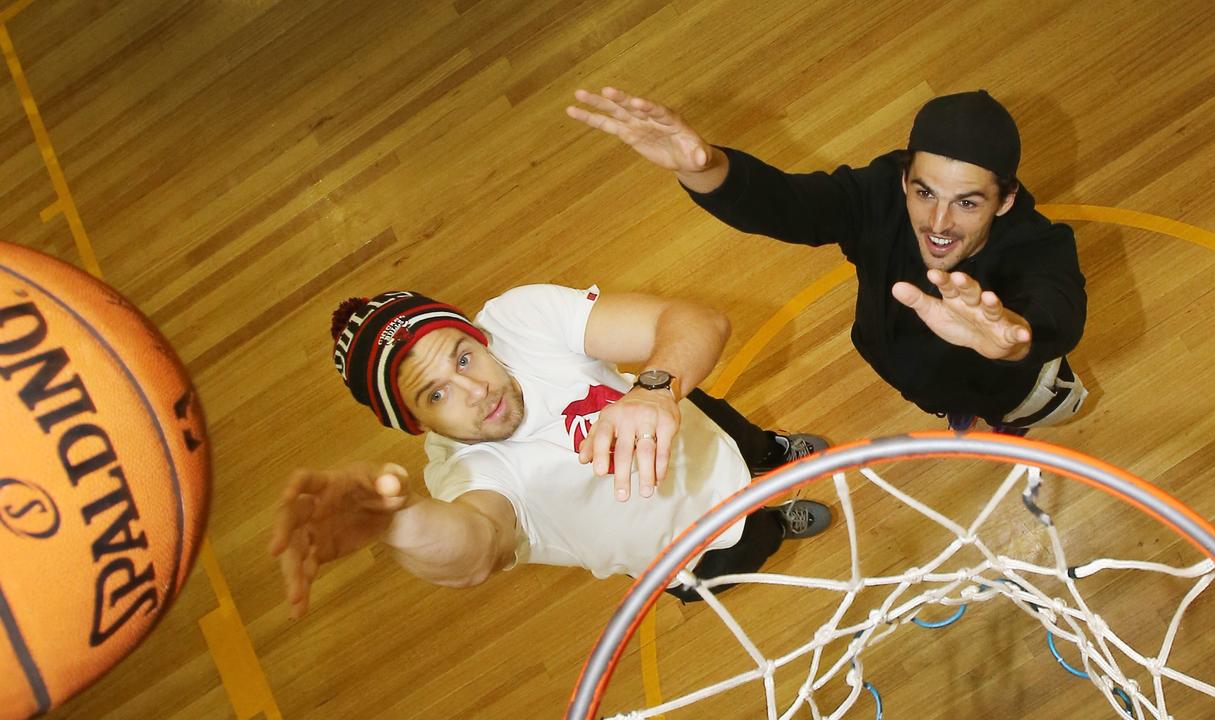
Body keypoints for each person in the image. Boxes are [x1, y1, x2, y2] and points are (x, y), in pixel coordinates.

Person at [270, 284, 832, 617]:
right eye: (435, 393)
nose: (476, 390)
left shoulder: (521, 319)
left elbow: (695, 321)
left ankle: (774, 454)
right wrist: (394, 521)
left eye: (463, 358)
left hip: (701, 430)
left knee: (747, 439)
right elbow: (475, 548)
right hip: (691, 554)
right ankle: (777, 521)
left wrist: (654, 389)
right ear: (417, 424)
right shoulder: (467, 476)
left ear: (477, 337)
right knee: (756, 541)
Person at [567, 88, 1089, 435]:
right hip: (900, 363)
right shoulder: (879, 195)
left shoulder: (1039, 246)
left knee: (1014, 418)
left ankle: (1000, 419)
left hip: (1010, 391)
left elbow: (1057, 310)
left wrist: (1009, 341)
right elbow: (794, 206)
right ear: (904, 178)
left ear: (1007, 200)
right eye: (924, 192)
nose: (938, 221)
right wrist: (709, 171)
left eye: (968, 202)